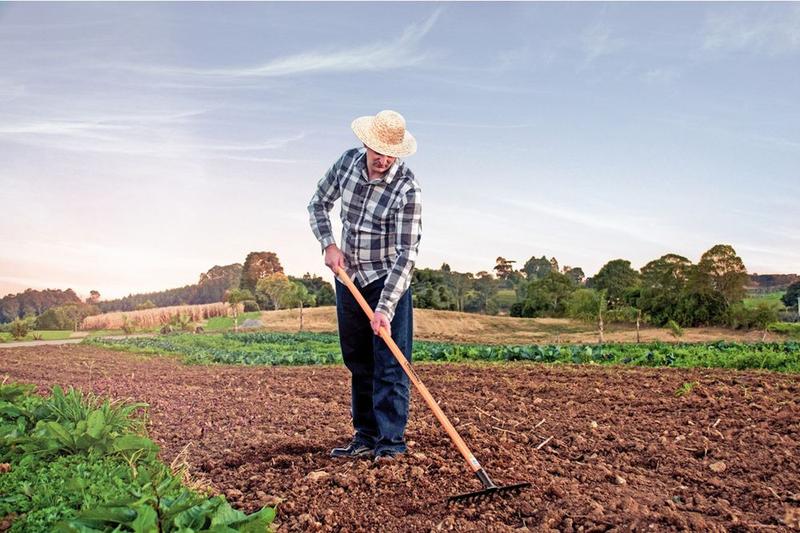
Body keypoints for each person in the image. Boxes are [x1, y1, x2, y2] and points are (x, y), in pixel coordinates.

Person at [308, 110, 422, 462]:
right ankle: (365, 437)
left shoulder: (407, 189)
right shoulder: (346, 165)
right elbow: (318, 204)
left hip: (388, 282)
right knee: (358, 361)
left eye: (391, 152)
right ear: (366, 142)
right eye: (378, 150)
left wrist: (385, 308)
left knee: (390, 363)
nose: (384, 159)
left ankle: (390, 445)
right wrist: (328, 244)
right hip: (349, 278)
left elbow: (407, 254)